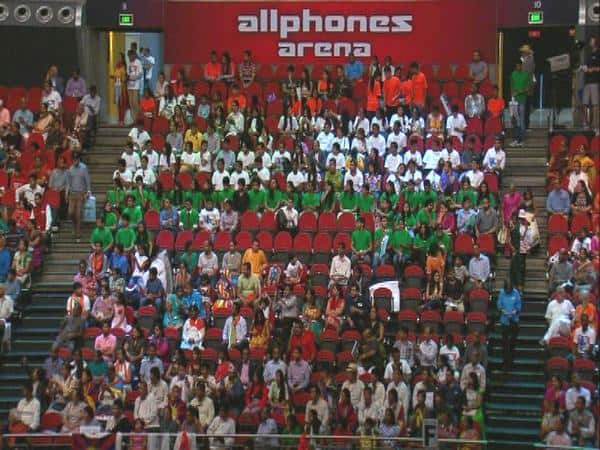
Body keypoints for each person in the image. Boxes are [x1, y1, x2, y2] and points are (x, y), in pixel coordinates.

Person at [67, 152, 91, 242]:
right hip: (72, 193)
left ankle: (78, 232)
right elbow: (68, 182)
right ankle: (74, 225)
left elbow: (87, 180)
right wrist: (67, 192)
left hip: (81, 193)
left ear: (79, 159)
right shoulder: (70, 169)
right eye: (73, 159)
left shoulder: (84, 168)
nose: (75, 161)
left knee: (78, 213)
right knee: (70, 212)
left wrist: (88, 191)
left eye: (76, 159)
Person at [497, 279, 521, 370]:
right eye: (506, 290)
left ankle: (511, 362)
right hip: (505, 321)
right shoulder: (502, 293)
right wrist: (504, 311)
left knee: (512, 343)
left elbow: (518, 305)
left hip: (514, 320)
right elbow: (499, 304)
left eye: (509, 290)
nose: (508, 291)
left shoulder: (516, 293)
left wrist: (514, 312)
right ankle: (505, 362)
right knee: (505, 343)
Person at [510, 59, 533, 146]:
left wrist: (519, 92)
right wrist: (512, 95)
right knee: (515, 120)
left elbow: (528, 88)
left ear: (522, 66)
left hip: (522, 100)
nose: (518, 67)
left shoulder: (526, 75)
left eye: (519, 65)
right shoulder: (513, 74)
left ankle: (522, 140)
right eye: (516, 66)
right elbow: (511, 86)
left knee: (522, 120)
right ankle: (516, 139)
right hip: (514, 101)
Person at [582, 36, 599, 132]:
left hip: (594, 82)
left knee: (595, 104)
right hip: (587, 82)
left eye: (591, 41)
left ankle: (595, 124)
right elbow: (587, 66)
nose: (589, 42)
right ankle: (586, 123)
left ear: (595, 42)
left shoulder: (598, 53)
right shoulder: (589, 54)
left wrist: (593, 69)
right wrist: (583, 68)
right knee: (584, 103)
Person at [127, 50, 143, 122]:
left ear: (133, 55)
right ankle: (134, 120)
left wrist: (134, 77)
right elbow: (128, 73)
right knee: (131, 103)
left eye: (130, 56)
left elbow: (140, 74)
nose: (129, 58)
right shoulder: (129, 63)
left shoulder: (138, 62)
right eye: (128, 56)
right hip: (129, 85)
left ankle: (139, 117)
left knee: (135, 102)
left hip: (136, 85)